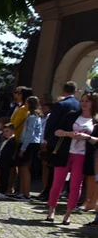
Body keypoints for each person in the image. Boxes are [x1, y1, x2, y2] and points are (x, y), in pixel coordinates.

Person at [46, 91, 98, 225]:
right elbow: (57, 131)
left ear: (93, 103)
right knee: (57, 182)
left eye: (87, 101)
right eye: (82, 101)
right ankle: (51, 210)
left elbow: (96, 140)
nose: (84, 104)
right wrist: (68, 133)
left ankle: (68, 213)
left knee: (75, 185)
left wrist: (87, 137)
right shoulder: (72, 116)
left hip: (82, 155)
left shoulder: (96, 120)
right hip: (65, 152)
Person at [42, 81, 81, 201]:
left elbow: (51, 122)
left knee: (53, 167)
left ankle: (50, 192)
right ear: (75, 91)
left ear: (64, 91)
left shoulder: (61, 105)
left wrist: (47, 137)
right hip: (73, 141)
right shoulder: (79, 105)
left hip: (57, 140)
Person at [14, 95, 42, 201]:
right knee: (22, 168)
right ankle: (21, 192)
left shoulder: (33, 117)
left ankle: (25, 193)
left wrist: (23, 148)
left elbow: (29, 134)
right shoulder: (32, 116)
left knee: (25, 169)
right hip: (29, 143)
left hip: (29, 144)